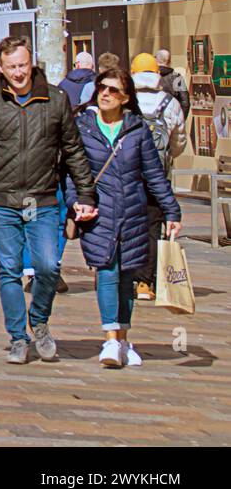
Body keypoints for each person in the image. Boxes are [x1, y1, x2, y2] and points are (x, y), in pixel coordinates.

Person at [0, 35, 97, 365]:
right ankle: (18, 337)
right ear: (1, 68)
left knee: (48, 266)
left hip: (42, 197)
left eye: (23, 65)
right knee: (9, 270)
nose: (18, 72)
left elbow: (74, 150)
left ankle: (40, 320)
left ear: (31, 62)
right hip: (1, 198)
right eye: (11, 67)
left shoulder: (56, 99)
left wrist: (86, 192)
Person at [65, 68, 181, 368]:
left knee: (127, 275)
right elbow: (71, 173)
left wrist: (171, 210)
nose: (105, 93)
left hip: (132, 212)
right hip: (98, 212)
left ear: (126, 97)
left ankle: (124, 337)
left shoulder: (137, 130)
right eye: (102, 87)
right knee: (106, 270)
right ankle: (111, 340)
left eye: (114, 90)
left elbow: (154, 175)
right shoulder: (83, 127)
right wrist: (76, 202)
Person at [129, 52, 188, 301]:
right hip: (157, 176)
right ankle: (145, 282)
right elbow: (179, 140)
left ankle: (125, 274)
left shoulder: (126, 101)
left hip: (128, 174)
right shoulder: (168, 102)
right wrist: (169, 156)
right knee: (153, 225)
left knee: (128, 223)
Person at [155, 48, 190, 118]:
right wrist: (180, 121)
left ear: (156, 60)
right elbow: (185, 102)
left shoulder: (151, 76)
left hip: (154, 121)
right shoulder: (177, 77)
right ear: (169, 61)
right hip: (172, 120)